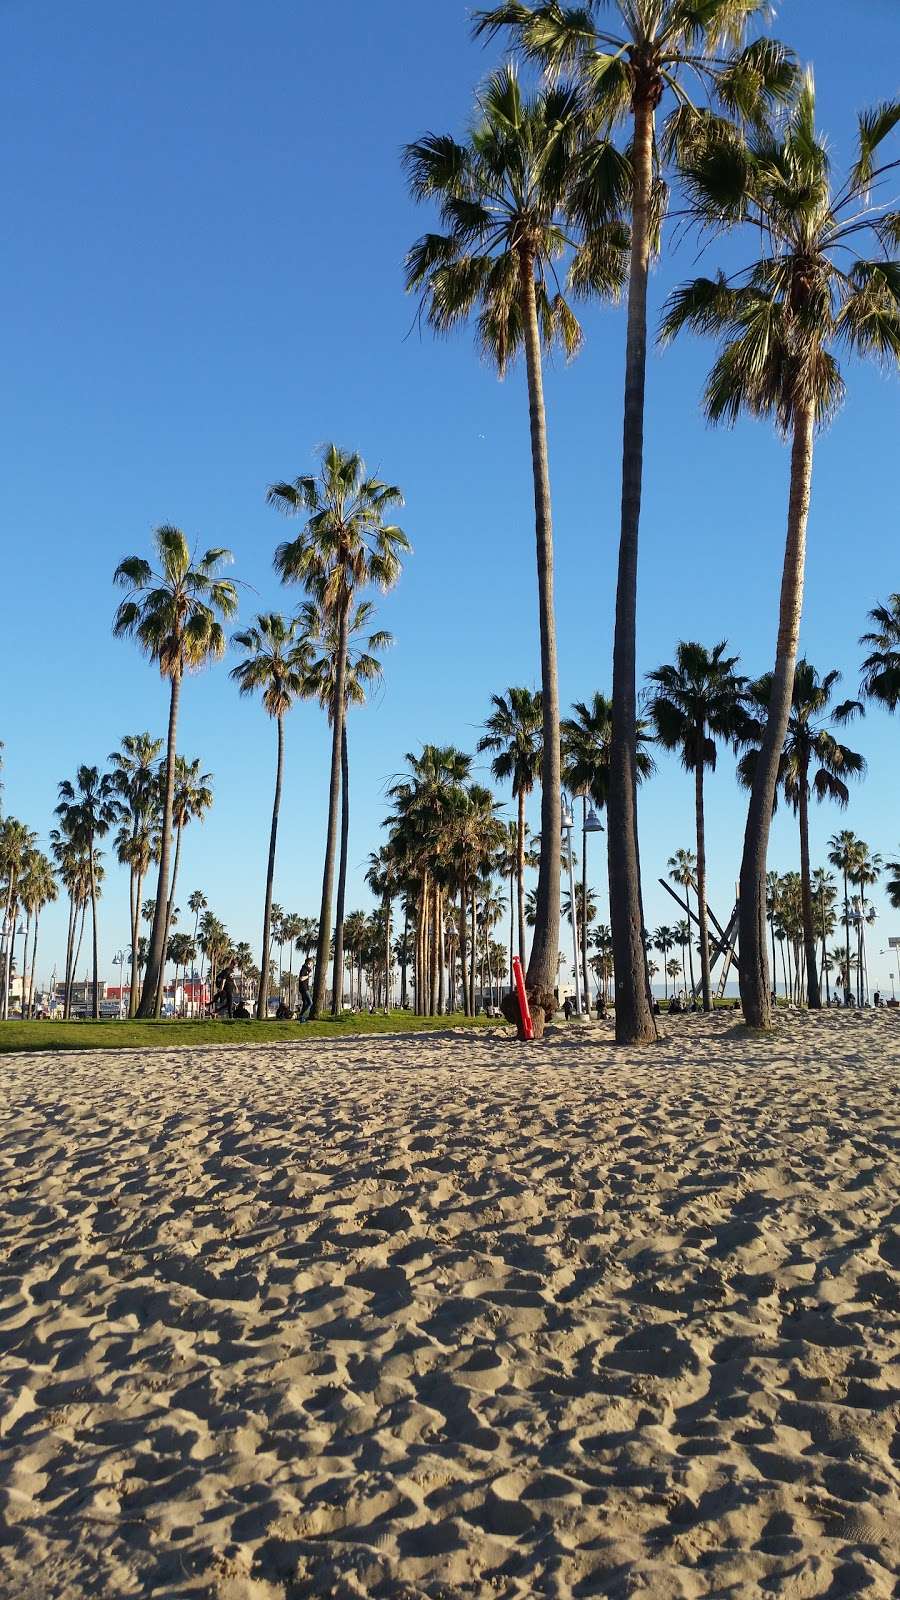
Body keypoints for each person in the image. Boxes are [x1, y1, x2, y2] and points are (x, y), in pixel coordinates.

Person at [297, 958, 313, 1022]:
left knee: (305, 1003)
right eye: (311, 964)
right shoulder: (303, 969)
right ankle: (302, 1015)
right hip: (304, 988)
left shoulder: (306, 969)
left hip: (305, 988)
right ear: (308, 964)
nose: (311, 966)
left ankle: (302, 1018)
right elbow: (301, 978)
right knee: (310, 1002)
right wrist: (308, 976)